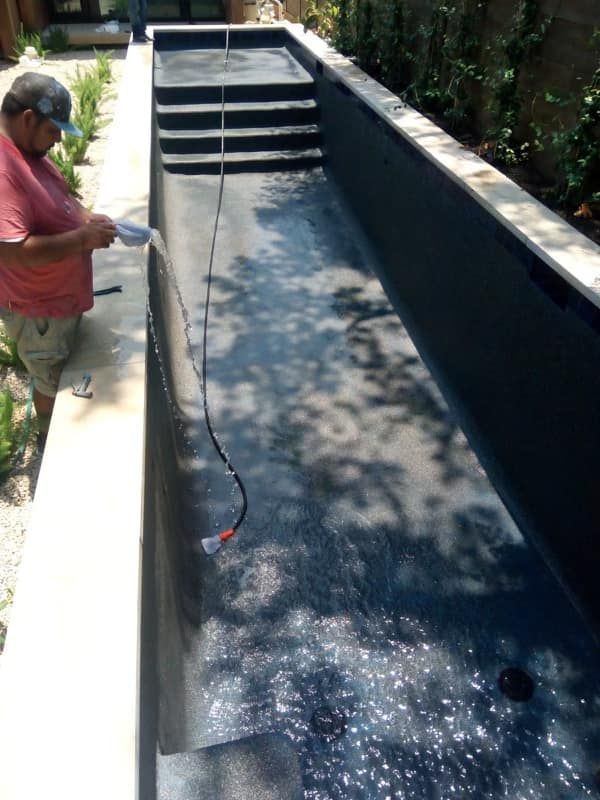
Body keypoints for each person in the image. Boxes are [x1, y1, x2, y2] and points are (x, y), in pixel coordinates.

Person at [0, 72, 116, 449]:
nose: (59, 139)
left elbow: (59, 201)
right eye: (53, 130)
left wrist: (85, 218)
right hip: (40, 313)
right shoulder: (4, 171)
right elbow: (11, 251)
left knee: (60, 371)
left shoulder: (26, 152)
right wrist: (81, 239)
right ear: (29, 118)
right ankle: (50, 444)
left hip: (57, 305)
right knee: (49, 379)